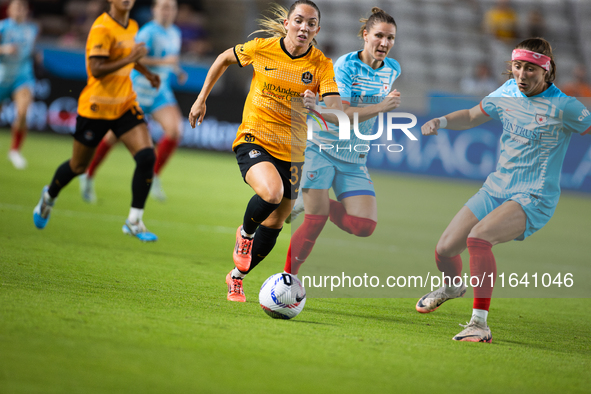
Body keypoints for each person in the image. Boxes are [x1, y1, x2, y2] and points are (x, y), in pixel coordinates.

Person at [415, 38, 591, 343]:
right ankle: (453, 287)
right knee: (444, 250)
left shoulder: (565, 106)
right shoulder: (507, 91)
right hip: (496, 188)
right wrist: (441, 121)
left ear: (547, 71)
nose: (522, 74)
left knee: (479, 239)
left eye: (531, 69)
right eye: (518, 66)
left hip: (533, 196)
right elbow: (471, 115)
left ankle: (479, 324)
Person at [188, 0, 341, 302]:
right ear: (287, 23)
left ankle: (236, 278)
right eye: (299, 20)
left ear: (317, 30)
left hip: (294, 151)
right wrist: (201, 98)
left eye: (311, 23)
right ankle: (244, 236)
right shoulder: (261, 48)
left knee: (275, 222)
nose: (304, 27)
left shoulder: (321, 64)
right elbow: (222, 59)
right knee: (271, 194)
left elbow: (337, 109)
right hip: (255, 137)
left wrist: (319, 106)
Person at [283, 8, 401, 277]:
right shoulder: (345, 67)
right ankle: (288, 280)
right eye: (379, 36)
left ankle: (308, 199)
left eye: (390, 38)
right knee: (316, 221)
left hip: (355, 156)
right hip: (322, 147)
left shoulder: (393, 69)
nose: (384, 43)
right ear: (365, 35)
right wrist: (382, 106)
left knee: (363, 226)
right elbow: (341, 116)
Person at [33, 0, 161, 242]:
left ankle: (134, 221)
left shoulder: (132, 25)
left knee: (147, 156)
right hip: (96, 107)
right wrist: (130, 58)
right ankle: (49, 196)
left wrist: (147, 73)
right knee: (78, 166)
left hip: (124, 103)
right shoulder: (101, 28)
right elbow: (97, 68)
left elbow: (128, 58)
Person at [79, 0, 187, 203]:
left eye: (171, 7)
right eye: (163, 7)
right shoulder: (147, 32)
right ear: (154, 10)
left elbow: (171, 60)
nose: (167, 11)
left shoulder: (175, 33)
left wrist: (178, 71)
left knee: (175, 130)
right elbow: (135, 59)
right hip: (136, 90)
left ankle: (152, 176)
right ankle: (88, 174)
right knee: (112, 136)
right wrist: (166, 63)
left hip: (159, 93)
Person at [0, 0, 37, 169]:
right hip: (2, 75)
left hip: (22, 76)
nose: (18, 11)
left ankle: (15, 151)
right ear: (9, 10)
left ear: (26, 11)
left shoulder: (33, 29)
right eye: (15, 8)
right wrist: (4, 49)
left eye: (22, 8)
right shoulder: (2, 27)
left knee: (22, 112)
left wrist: (36, 56)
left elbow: (29, 50)